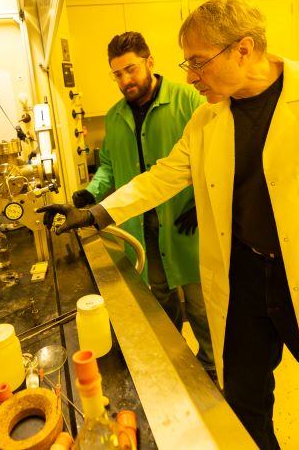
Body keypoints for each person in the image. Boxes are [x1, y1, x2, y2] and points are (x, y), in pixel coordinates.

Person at [40, 0, 299, 449]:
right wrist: (96, 212)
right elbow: (165, 174)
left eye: (198, 62)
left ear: (243, 49)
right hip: (244, 281)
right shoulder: (207, 120)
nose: (190, 76)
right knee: (243, 402)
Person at [72, 31, 214, 374]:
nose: (125, 80)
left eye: (131, 69)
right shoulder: (115, 115)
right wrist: (91, 192)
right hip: (142, 228)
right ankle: (176, 361)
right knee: (160, 300)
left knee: (200, 305)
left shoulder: (189, 101)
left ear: (149, 62)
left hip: (186, 224)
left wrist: (201, 201)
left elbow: (213, 157)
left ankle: (211, 367)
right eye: (117, 74)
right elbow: (108, 164)